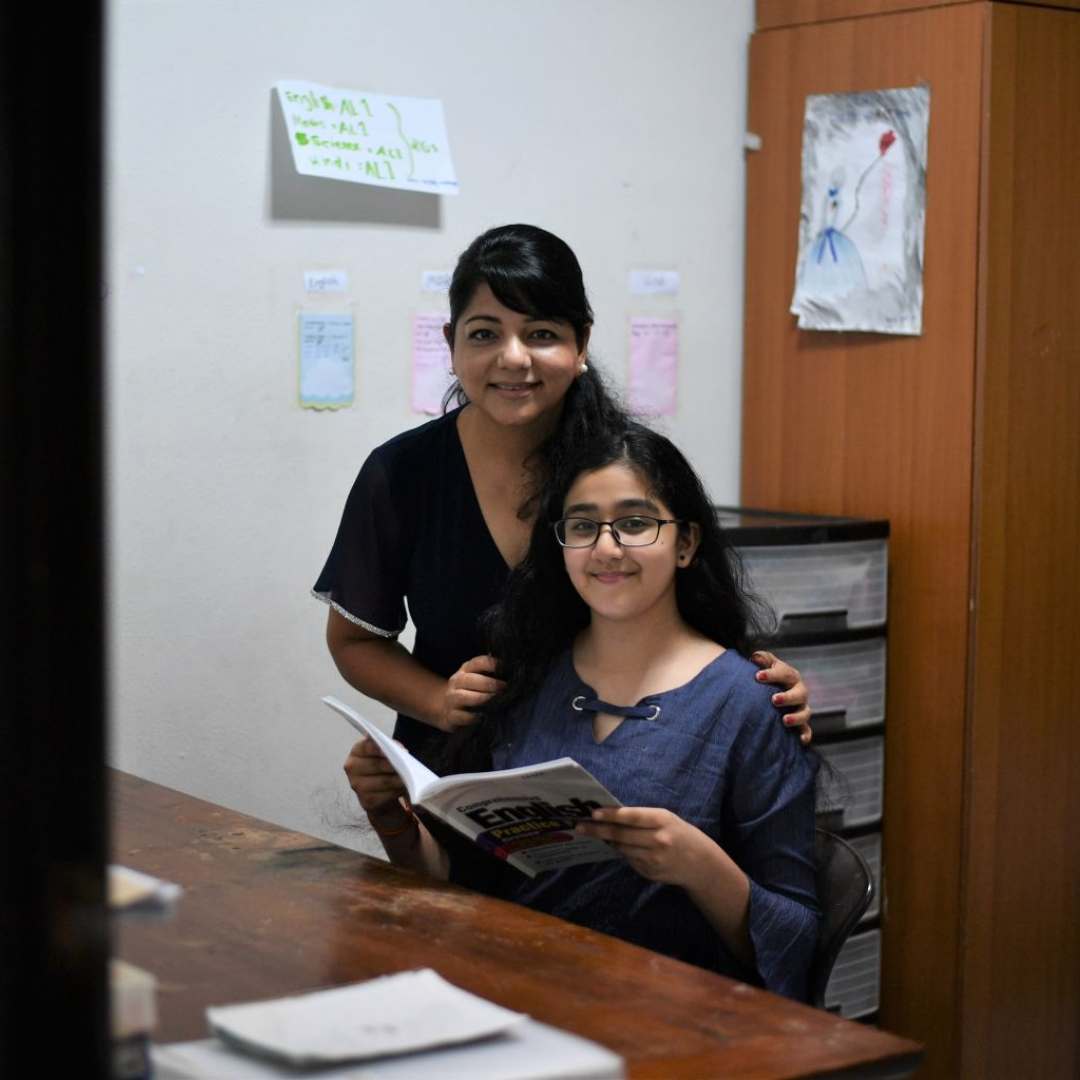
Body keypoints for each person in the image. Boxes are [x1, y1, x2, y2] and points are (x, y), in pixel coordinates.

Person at [345, 423, 820, 1001]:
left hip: (675, 1023)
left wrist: (701, 866)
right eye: (583, 526)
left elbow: (798, 942)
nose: (607, 548)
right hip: (521, 998)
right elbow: (468, 889)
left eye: (636, 522)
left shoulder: (753, 702)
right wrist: (390, 814)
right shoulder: (524, 682)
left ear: (687, 543)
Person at [313, 224, 811, 772]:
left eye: (541, 333)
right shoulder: (401, 472)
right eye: (484, 333)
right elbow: (355, 643)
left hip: (617, 771)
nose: (513, 358)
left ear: (581, 345)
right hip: (456, 774)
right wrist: (436, 700)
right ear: (451, 343)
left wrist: (755, 692)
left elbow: (699, 621)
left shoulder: (633, 470)